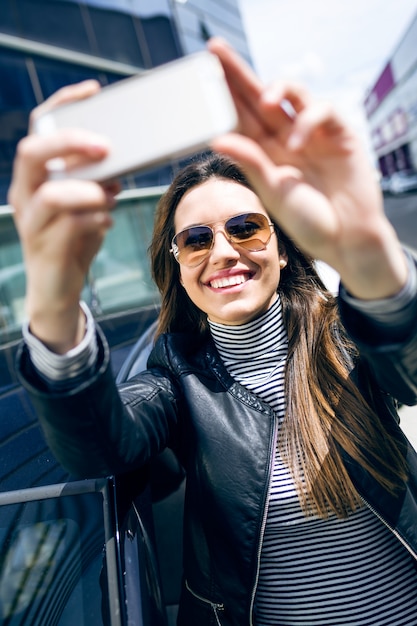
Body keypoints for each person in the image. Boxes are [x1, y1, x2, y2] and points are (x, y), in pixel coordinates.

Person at [9, 38, 417, 625]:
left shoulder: (349, 334)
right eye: (196, 239)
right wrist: (51, 300)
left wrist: (372, 263)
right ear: (176, 266)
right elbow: (99, 446)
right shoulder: (175, 379)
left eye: (246, 228)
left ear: (281, 249)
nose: (222, 252)